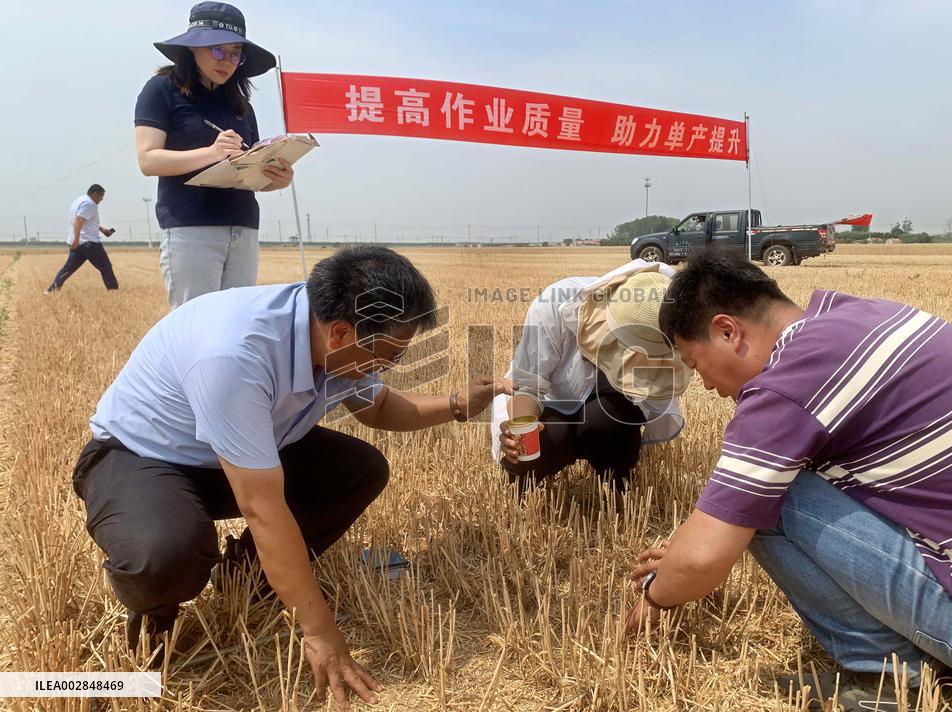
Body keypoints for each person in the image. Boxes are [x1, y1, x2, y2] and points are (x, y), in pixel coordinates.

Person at [71, 245, 509, 706]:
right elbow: (262, 507)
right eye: (388, 358)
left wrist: (460, 406)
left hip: (233, 450)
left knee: (360, 470)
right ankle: (157, 607)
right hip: (142, 457)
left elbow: (378, 407)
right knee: (165, 555)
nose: (387, 368)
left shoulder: (333, 334)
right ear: (341, 332)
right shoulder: (236, 354)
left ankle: (244, 579)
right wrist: (320, 631)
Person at [625, 249, 952, 708]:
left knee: (770, 496)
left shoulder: (784, 385)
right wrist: (696, 549)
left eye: (693, 362)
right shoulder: (862, 316)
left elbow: (704, 558)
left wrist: (658, 595)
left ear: (728, 331)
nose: (703, 383)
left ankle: (888, 679)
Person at [134, 2, 293, 309]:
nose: (228, 61)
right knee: (195, 325)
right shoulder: (162, 90)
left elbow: (249, 172)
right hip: (191, 227)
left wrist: (276, 178)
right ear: (193, 48)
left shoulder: (240, 104)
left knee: (235, 323)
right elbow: (148, 160)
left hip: (243, 227)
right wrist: (211, 152)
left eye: (235, 53)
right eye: (218, 50)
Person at [492, 259, 690, 491]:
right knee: (548, 439)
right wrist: (521, 428)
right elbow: (527, 386)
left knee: (608, 424)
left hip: (608, 405)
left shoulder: (655, 320)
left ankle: (616, 485)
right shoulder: (553, 305)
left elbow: (641, 401)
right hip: (551, 402)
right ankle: (523, 484)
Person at [45, 184, 119, 293]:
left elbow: (85, 221)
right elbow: (79, 220)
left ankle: (52, 290)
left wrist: (102, 230)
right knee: (106, 267)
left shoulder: (79, 201)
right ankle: (113, 292)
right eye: (101, 196)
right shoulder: (90, 204)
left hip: (79, 242)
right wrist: (76, 239)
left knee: (68, 268)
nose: (102, 199)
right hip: (89, 243)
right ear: (94, 194)